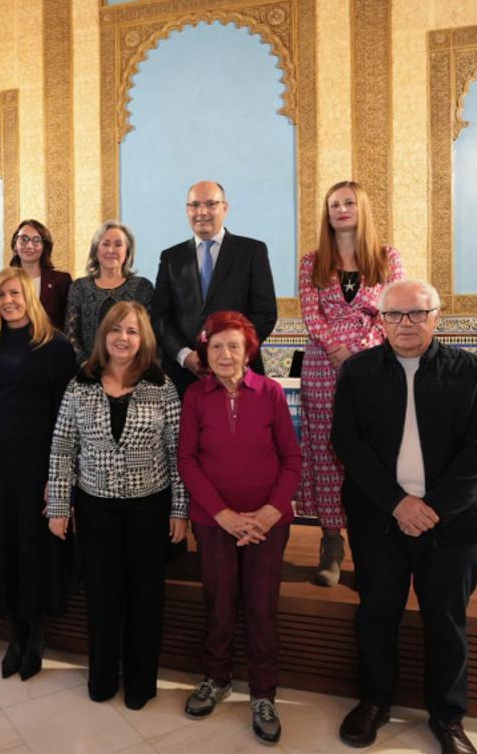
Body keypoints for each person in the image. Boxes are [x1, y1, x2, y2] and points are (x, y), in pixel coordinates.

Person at [332, 279, 477, 754]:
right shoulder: (360, 372)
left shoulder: (473, 371)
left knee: (446, 622)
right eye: (394, 315)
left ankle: (448, 718)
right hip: (379, 521)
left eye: (417, 314)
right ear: (380, 321)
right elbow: (349, 442)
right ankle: (374, 702)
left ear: (437, 317)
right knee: (377, 615)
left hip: (452, 525)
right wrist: (398, 504)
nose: (405, 324)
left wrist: (431, 510)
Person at [47, 301, 188, 710]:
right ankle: (103, 678)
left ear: (142, 338)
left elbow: (179, 454)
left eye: (131, 331)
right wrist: (58, 504)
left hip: (150, 509)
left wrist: (180, 510)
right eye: (115, 330)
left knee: (146, 599)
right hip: (96, 510)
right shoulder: (81, 383)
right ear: (103, 336)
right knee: (102, 597)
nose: (122, 338)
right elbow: (62, 447)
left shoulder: (162, 385)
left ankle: (141, 684)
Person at [177, 311, 300, 741]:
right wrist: (223, 516)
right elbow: (187, 461)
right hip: (214, 522)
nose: (225, 354)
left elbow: (291, 459)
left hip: (268, 523)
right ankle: (216, 677)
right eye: (216, 347)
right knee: (219, 601)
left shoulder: (270, 393)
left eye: (234, 346)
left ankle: (264, 693)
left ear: (249, 350)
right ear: (204, 354)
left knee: (262, 607)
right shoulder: (194, 396)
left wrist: (269, 512)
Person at [0, 267, 77, 680]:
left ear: (29, 295)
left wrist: (58, 476)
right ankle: (14, 633)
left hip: (38, 462)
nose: (7, 301)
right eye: (0, 296)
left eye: (14, 293)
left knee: (33, 548)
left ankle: (36, 633)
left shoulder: (57, 347)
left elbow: (68, 418)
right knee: (2, 545)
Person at [297, 181, 404, 587]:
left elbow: (394, 309)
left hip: (374, 365)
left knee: (369, 454)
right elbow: (311, 314)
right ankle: (331, 544)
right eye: (333, 204)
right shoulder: (312, 261)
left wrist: (357, 348)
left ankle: (370, 548)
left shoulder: (386, 257)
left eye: (348, 203)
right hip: (322, 369)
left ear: (362, 209)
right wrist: (335, 348)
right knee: (327, 454)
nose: (341, 210)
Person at [152, 181, 278, 392]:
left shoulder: (252, 251)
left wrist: (233, 354)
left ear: (225, 208)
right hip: (184, 378)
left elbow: (265, 313)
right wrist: (185, 355)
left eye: (211, 204)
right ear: (187, 210)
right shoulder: (171, 258)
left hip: (240, 373)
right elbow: (160, 317)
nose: (202, 212)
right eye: (195, 205)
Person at [64, 221, 154, 364]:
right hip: (88, 373)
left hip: (132, 373)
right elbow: (71, 336)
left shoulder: (142, 287)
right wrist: (87, 366)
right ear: (96, 250)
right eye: (105, 244)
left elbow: (148, 336)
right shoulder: (80, 287)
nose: (111, 250)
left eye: (118, 244)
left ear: (127, 252)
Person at [9, 218, 72, 330]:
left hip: (53, 346)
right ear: (15, 245)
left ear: (44, 247)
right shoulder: (4, 282)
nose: (29, 246)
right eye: (23, 239)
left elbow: (69, 324)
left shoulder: (62, 281)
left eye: (36, 240)